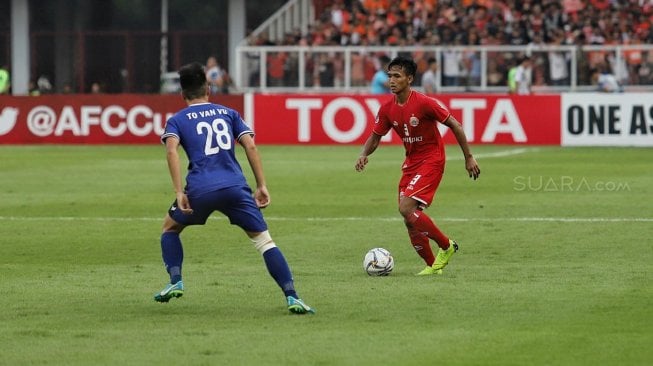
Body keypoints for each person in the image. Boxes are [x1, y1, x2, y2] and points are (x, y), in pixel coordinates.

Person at [155, 62, 314, 314]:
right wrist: (261, 184)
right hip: (235, 187)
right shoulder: (228, 113)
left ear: (182, 94)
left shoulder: (177, 120)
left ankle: (175, 280)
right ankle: (292, 296)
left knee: (170, 228)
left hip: (200, 189)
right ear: (209, 88)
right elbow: (250, 146)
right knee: (264, 242)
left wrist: (178, 191)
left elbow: (171, 150)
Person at [354, 56, 480, 276]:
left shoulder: (424, 103)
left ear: (409, 79)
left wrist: (468, 157)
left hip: (432, 160)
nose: (391, 80)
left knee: (406, 208)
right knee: (410, 220)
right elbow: (375, 136)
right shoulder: (386, 109)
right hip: (411, 164)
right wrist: (364, 153)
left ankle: (447, 246)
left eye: (397, 76)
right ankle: (432, 266)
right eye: (390, 75)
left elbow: (456, 125)